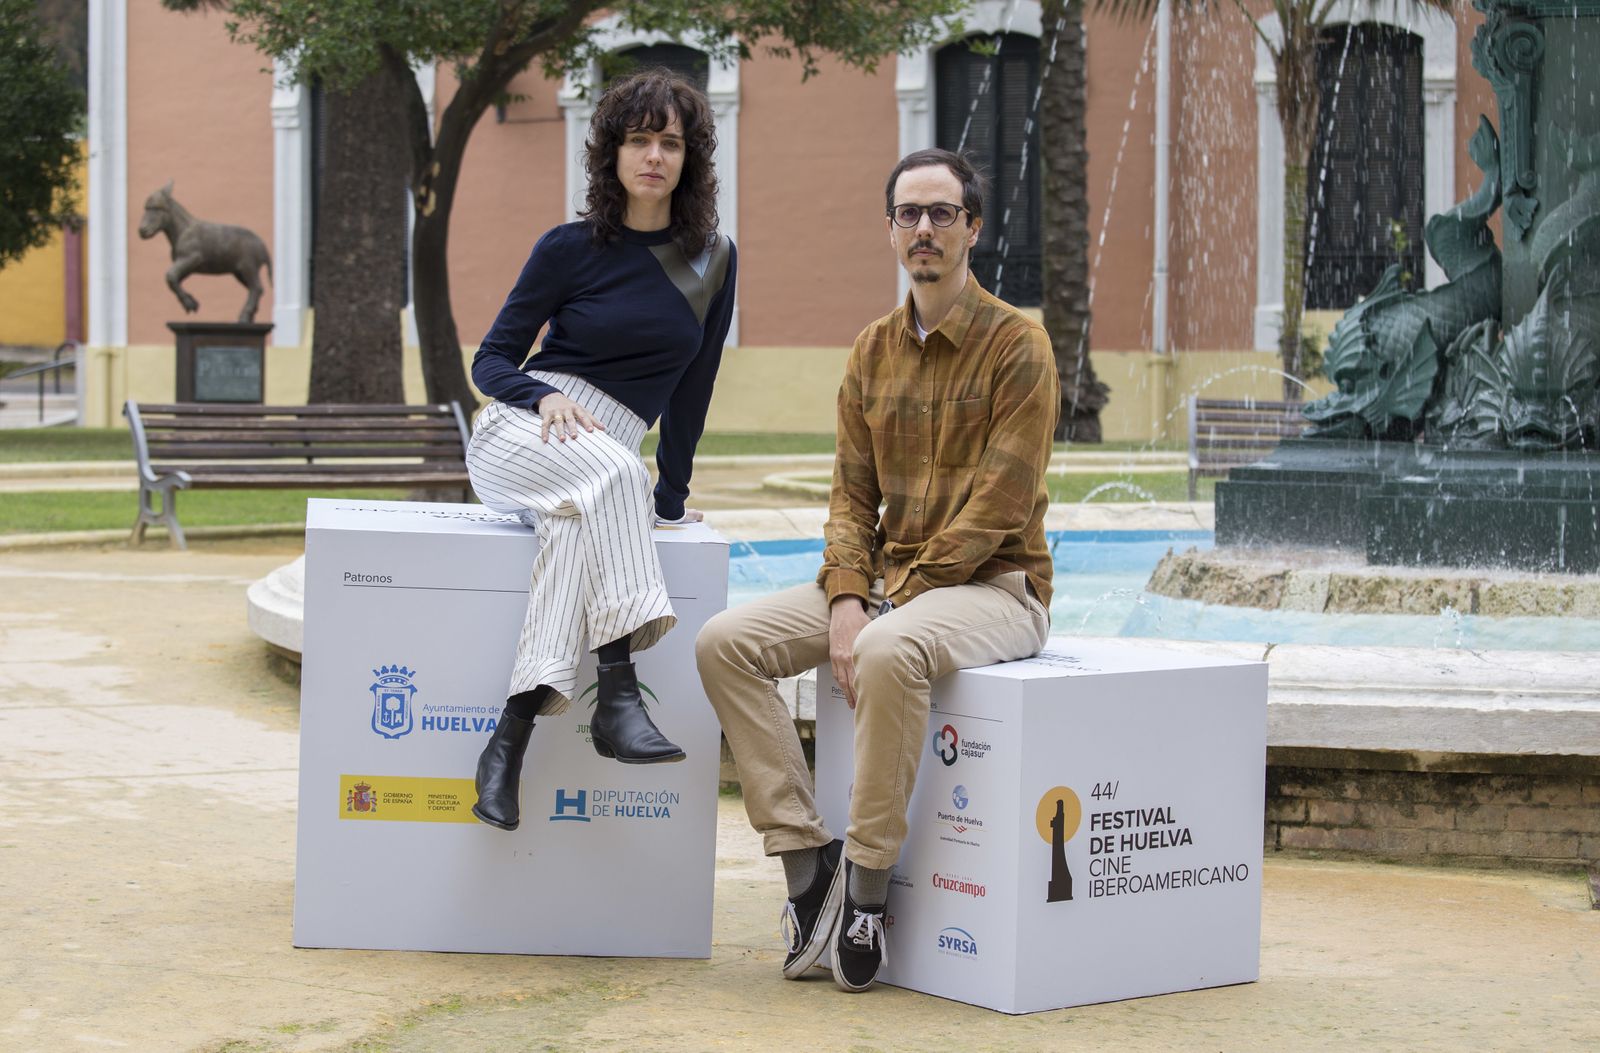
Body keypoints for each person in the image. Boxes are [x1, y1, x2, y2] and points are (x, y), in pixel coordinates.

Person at [695, 148, 1056, 992]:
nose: (924, 228)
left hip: (997, 587)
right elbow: (850, 499)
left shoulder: (1018, 345)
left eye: (942, 213)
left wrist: (889, 603)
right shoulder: (870, 351)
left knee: (889, 647)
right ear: (891, 230)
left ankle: (864, 891)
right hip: (894, 582)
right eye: (908, 214)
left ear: (973, 227)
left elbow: (1000, 507)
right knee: (723, 643)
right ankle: (805, 864)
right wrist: (850, 592)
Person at [465, 70, 736, 831]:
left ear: (690, 159)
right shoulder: (568, 248)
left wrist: (669, 501)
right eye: (638, 139)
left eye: (670, 143)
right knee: (615, 475)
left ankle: (507, 744)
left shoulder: (713, 260)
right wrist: (540, 395)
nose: (654, 156)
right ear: (611, 153)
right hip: (524, 435)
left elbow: (693, 391)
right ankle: (618, 693)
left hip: (602, 467)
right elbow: (490, 362)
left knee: (580, 528)